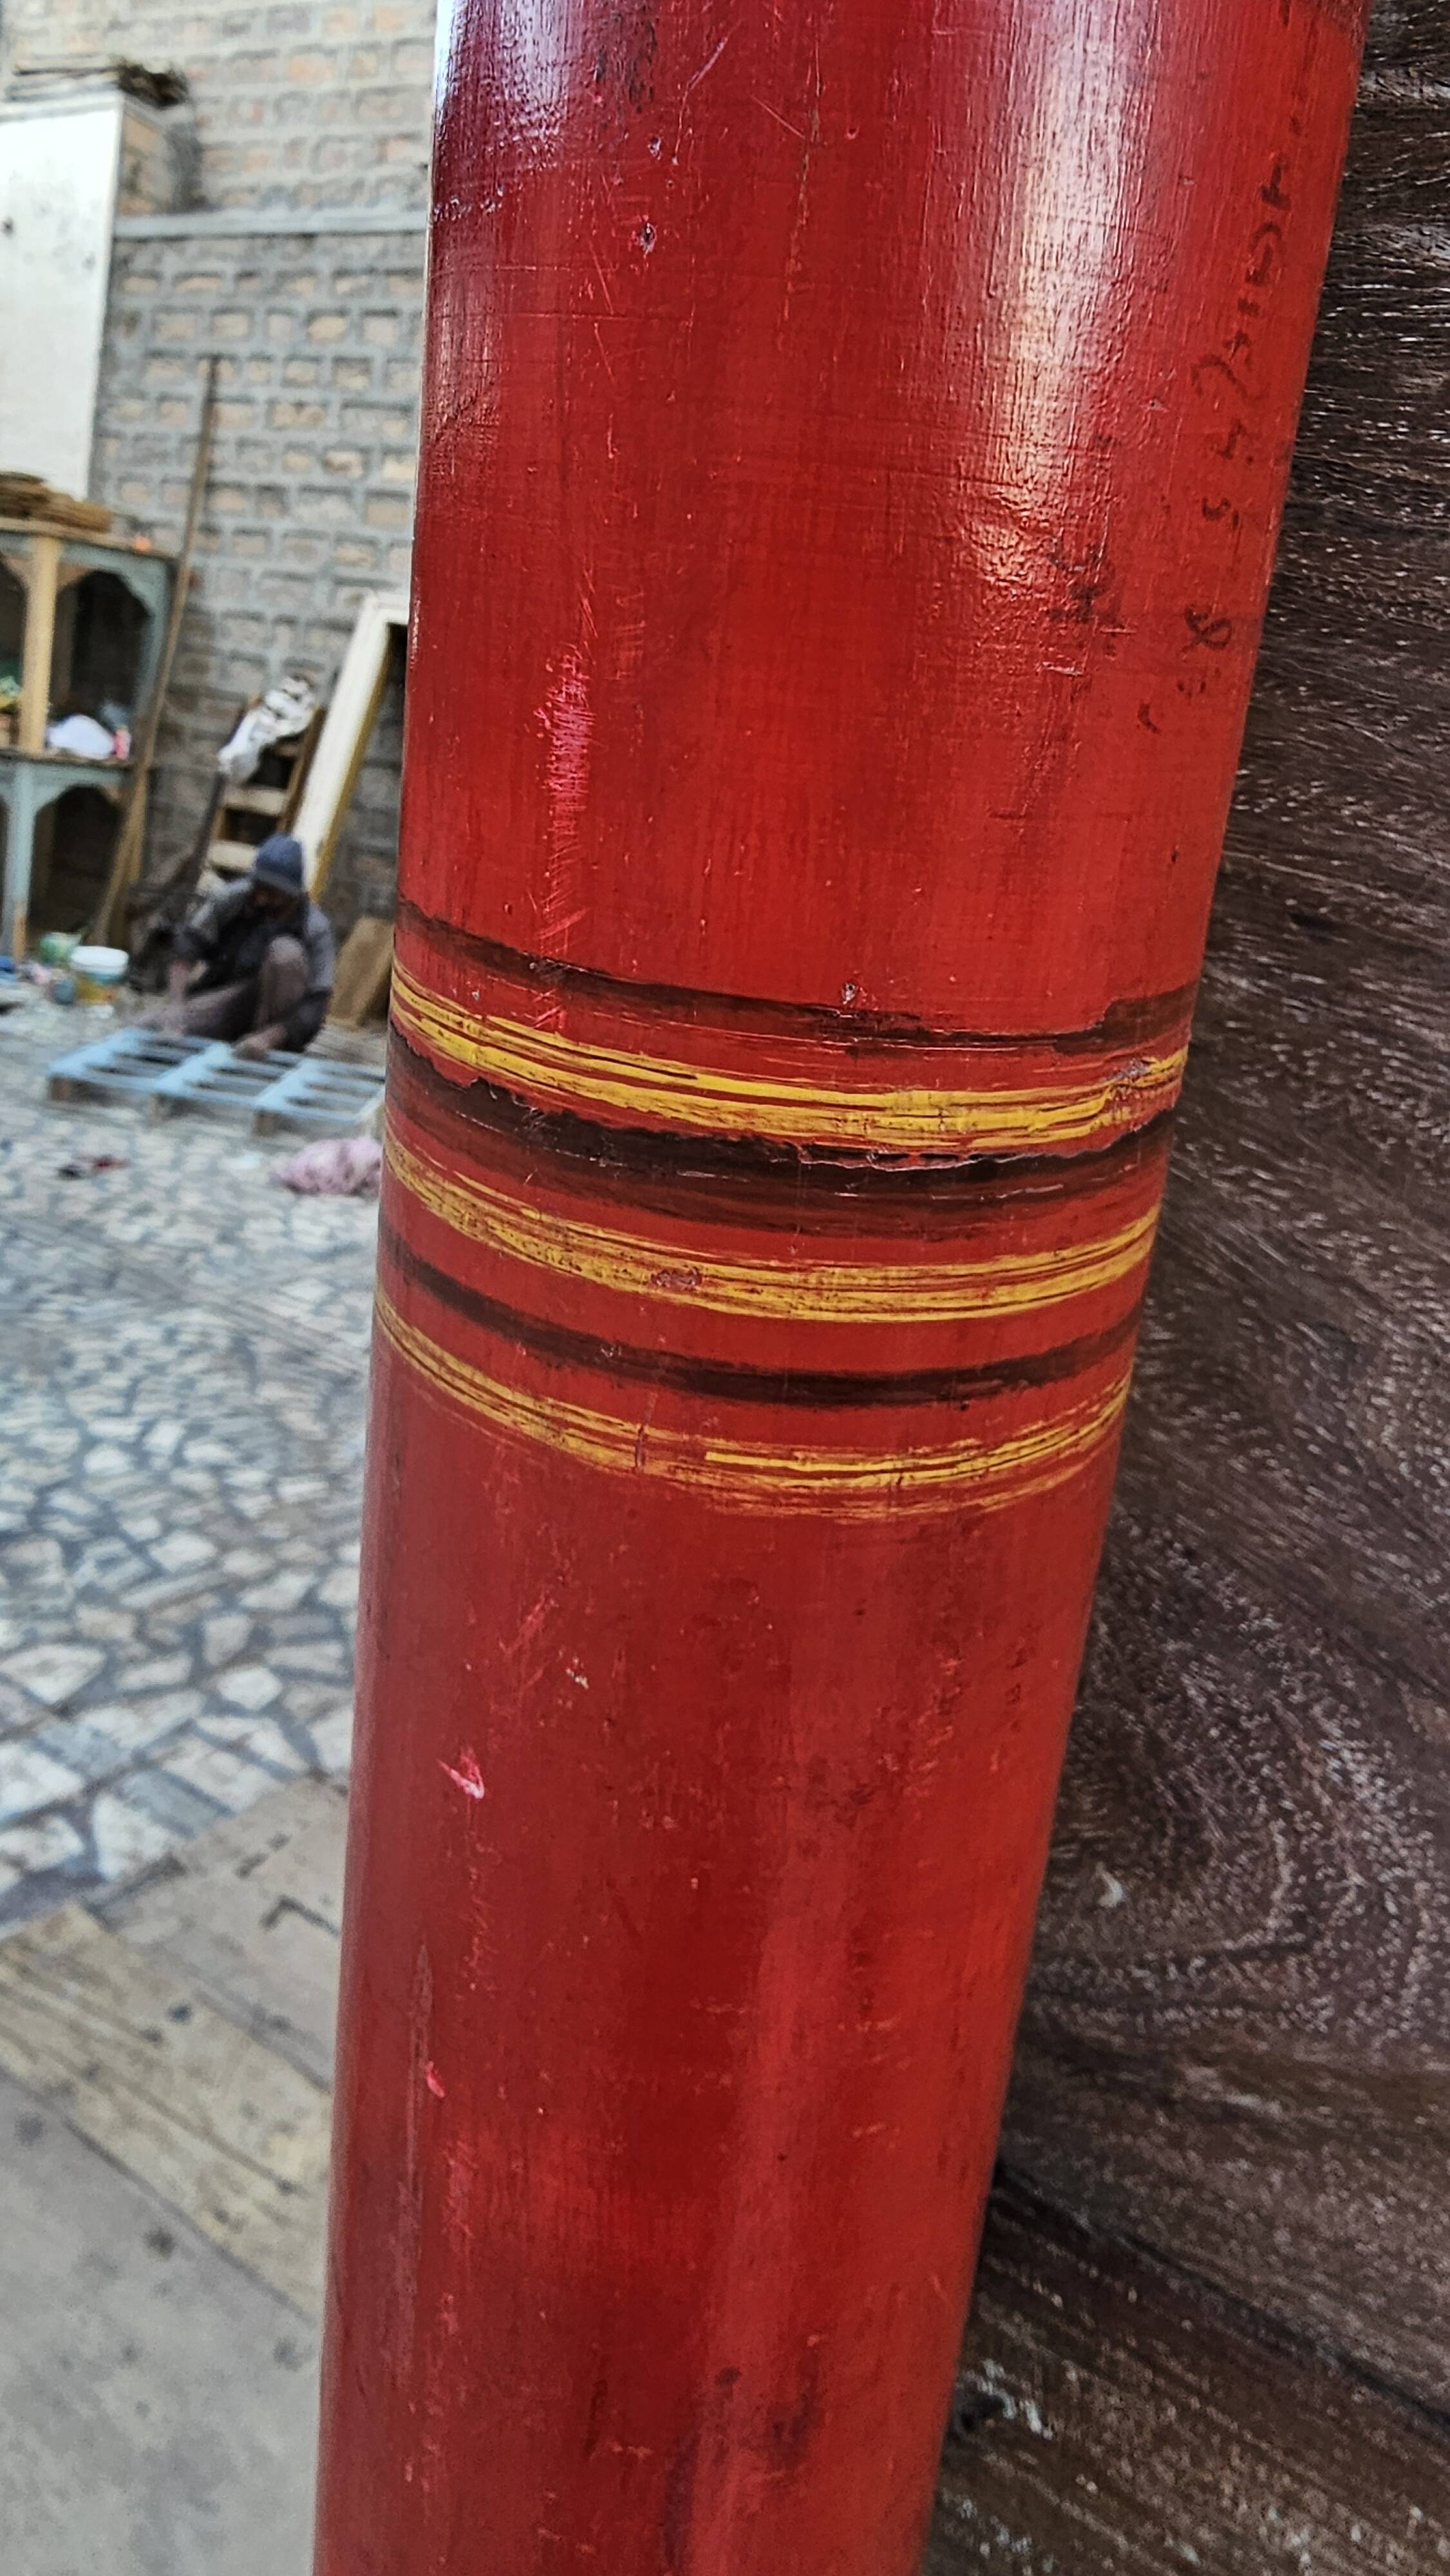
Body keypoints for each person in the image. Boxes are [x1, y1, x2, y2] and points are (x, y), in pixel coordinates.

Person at [150, 835, 335, 1060]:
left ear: (293, 894)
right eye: (258, 888)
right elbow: (189, 944)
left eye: (272, 894)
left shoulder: (315, 928)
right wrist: (176, 1004)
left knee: (286, 953)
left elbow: (316, 1006)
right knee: (149, 1028)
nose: (261, 899)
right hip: (230, 1001)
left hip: (277, 1025)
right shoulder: (234, 897)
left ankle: (268, 1050)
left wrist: (269, 1038)